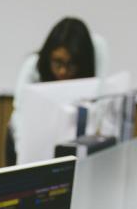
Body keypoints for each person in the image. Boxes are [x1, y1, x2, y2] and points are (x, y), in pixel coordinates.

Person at [7, 17, 106, 165]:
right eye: (57, 62)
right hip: (28, 140)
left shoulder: (89, 76)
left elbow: (96, 109)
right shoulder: (33, 66)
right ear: (48, 57)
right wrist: (23, 156)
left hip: (69, 140)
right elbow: (21, 113)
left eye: (71, 64)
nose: (62, 71)